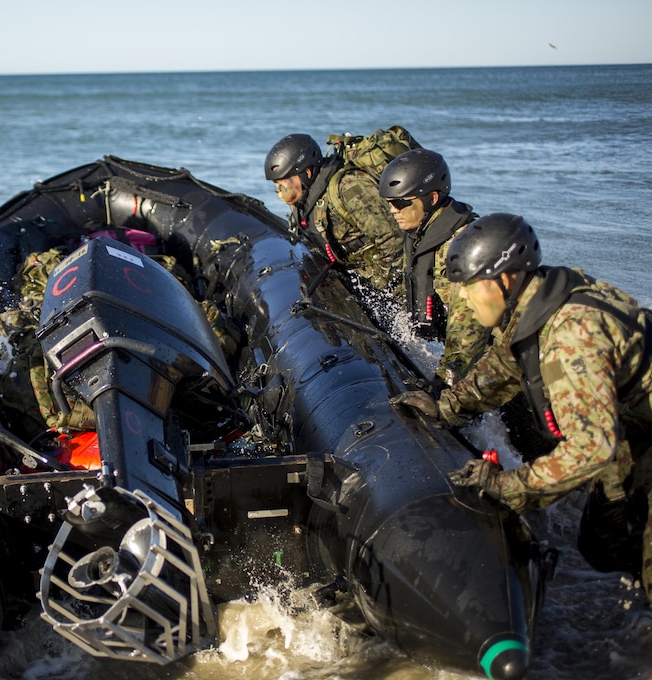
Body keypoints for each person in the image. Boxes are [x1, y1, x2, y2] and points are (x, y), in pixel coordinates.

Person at [390, 213, 652, 604]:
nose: (461, 297)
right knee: (602, 543)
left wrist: (508, 487)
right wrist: (446, 407)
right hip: (632, 426)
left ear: (505, 279)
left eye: (470, 286)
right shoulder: (539, 300)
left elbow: (592, 447)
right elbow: (503, 367)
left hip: (628, 433)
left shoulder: (570, 335)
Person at [377, 148, 489, 384]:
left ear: (432, 198)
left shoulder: (456, 249)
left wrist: (442, 385)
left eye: (399, 203)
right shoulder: (420, 232)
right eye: (389, 203)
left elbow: (469, 333)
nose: (392, 211)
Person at [264, 133, 404, 292]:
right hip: (354, 275)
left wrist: (390, 289)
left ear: (307, 173)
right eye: (277, 186)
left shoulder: (349, 188)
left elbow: (393, 237)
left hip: (383, 277)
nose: (280, 192)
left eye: (284, 184)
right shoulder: (303, 201)